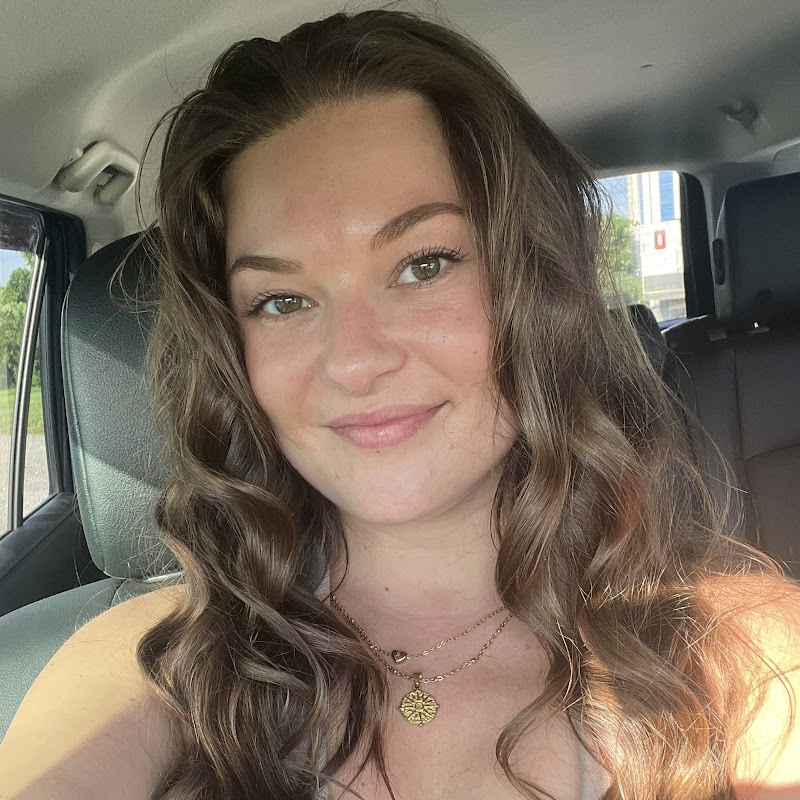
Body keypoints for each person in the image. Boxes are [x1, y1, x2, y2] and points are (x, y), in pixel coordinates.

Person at [3, 8, 800, 800]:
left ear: (534, 287)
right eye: (281, 301)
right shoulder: (146, 676)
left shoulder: (747, 667)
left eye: (425, 264)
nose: (354, 361)